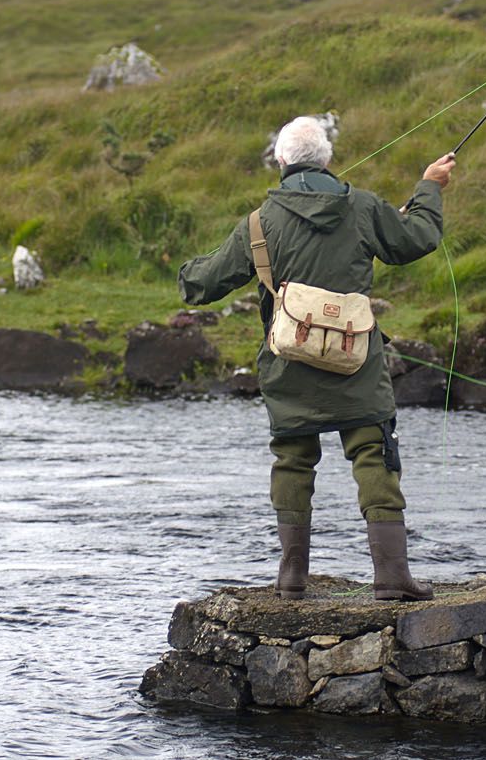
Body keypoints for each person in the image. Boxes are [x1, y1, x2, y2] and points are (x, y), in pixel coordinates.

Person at [178, 115, 456, 601]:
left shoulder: (258, 223)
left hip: (289, 366)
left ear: (281, 161)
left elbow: (201, 285)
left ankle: (291, 579)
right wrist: (429, 188)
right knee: (374, 454)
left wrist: (186, 270)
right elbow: (418, 239)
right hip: (358, 363)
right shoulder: (366, 207)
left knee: (293, 459)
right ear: (328, 160)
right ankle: (392, 578)